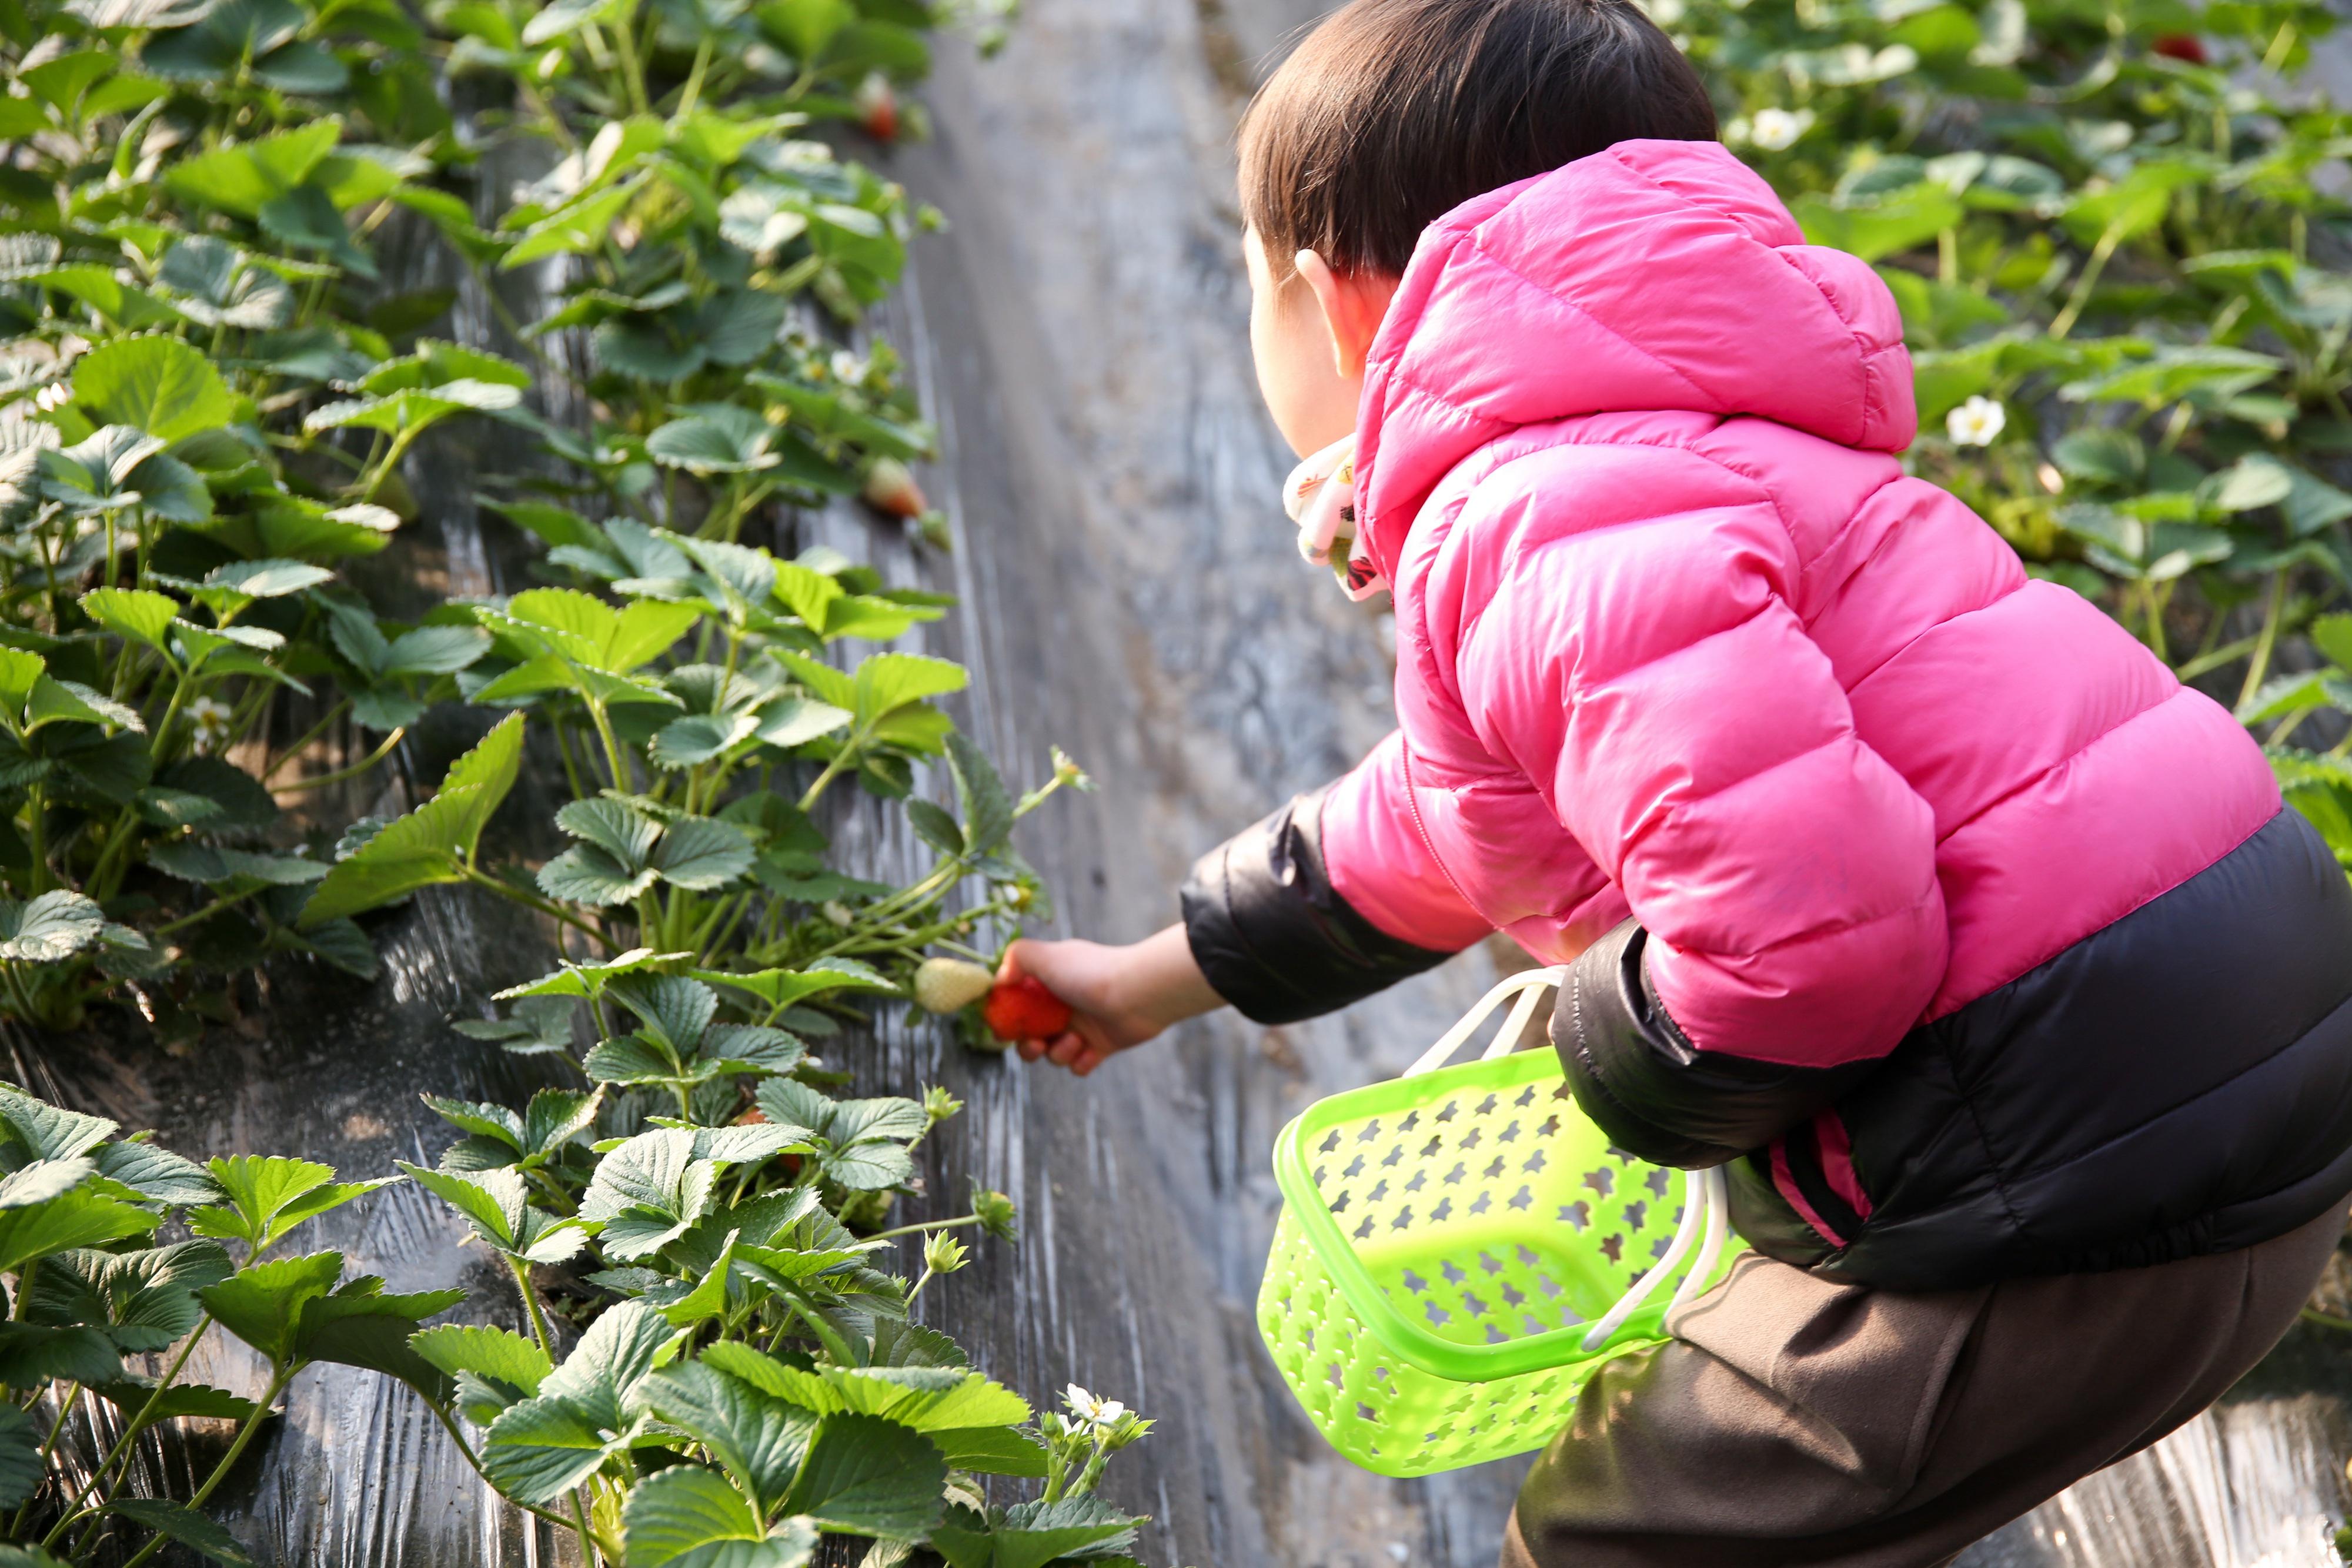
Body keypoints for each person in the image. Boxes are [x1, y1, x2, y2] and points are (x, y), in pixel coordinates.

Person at [995, 1, 2352, 1562]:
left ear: (1321, 302)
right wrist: (1147, 979)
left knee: (1619, 1533)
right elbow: (1459, 822)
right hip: (2241, 1070)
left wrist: (1618, 1056)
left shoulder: (1537, 522)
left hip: (2057, 1132)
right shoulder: (1693, 447)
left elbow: (1810, 941)